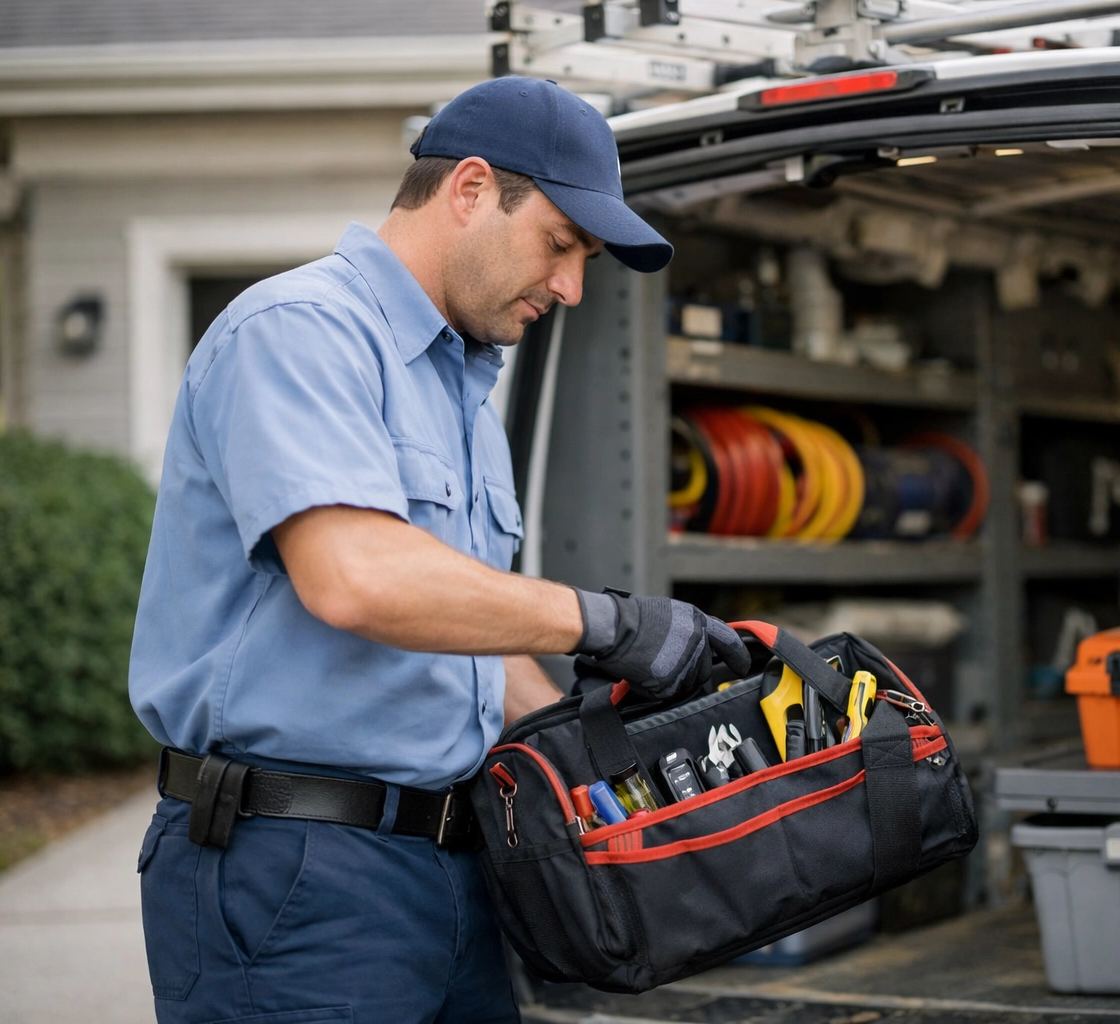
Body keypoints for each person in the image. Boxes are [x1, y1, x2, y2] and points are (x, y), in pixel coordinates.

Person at [127, 77, 751, 1024]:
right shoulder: (299, 332)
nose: (573, 287)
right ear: (468, 189)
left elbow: (472, 646)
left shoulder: (461, 387)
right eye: (560, 245)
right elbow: (357, 577)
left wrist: (607, 763)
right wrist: (611, 623)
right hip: (295, 870)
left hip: (452, 871)